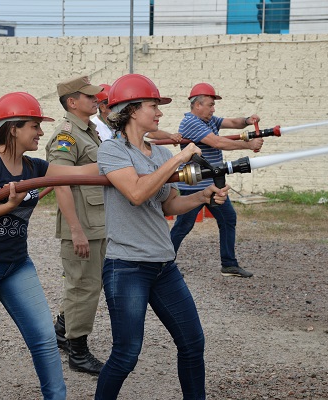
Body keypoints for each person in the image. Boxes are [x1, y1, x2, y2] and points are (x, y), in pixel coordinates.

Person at [0, 92, 98, 400]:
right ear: (13, 128)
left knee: (43, 338)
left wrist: (119, 160)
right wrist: (6, 205)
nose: (40, 132)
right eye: (34, 126)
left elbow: (78, 172)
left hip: (15, 265)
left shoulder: (33, 168)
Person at [94, 73, 229, 399]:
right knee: (126, 354)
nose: (159, 112)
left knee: (193, 342)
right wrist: (181, 158)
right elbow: (137, 193)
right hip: (126, 266)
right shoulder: (112, 151)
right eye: (153, 106)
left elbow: (167, 202)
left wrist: (201, 197)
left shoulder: (159, 154)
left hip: (163, 265)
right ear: (129, 109)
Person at [44, 75, 105, 375]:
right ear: (72, 102)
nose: (96, 100)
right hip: (82, 224)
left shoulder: (89, 131)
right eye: (89, 96)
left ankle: (62, 331)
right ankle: (78, 354)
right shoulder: (67, 135)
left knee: (85, 284)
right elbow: (60, 183)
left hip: (96, 221)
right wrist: (76, 229)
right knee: (84, 287)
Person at [170, 83, 263, 278]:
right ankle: (161, 264)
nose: (213, 109)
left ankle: (229, 265)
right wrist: (248, 145)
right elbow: (218, 142)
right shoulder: (191, 123)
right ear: (197, 105)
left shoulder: (209, 120)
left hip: (213, 183)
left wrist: (247, 120)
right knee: (183, 226)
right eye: (210, 105)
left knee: (228, 219)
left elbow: (233, 122)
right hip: (195, 184)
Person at [92, 82, 184, 143]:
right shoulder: (93, 126)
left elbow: (151, 133)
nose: (118, 110)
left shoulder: (129, 124)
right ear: (102, 107)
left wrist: (170, 136)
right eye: (112, 106)